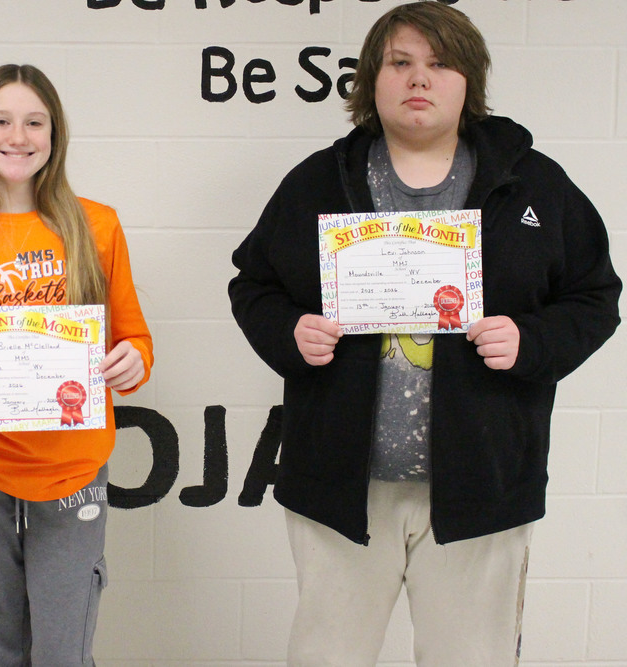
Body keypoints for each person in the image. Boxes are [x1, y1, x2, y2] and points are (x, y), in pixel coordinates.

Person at [228, 2, 621, 665]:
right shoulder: (318, 182)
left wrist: (531, 342)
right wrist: (289, 330)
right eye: (401, 63)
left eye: (440, 64)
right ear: (371, 83)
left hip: (482, 486)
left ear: (468, 82)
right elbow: (253, 283)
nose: (420, 79)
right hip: (341, 490)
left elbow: (595, 297)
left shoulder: (535, 186)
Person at [0, 63, 153, 665]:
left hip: (70, 460)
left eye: (34, 122)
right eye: (2, 120)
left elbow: (135, 342)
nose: (18, 136)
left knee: (63, 647)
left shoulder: (97, 226)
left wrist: (131, 363)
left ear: (54, 134)